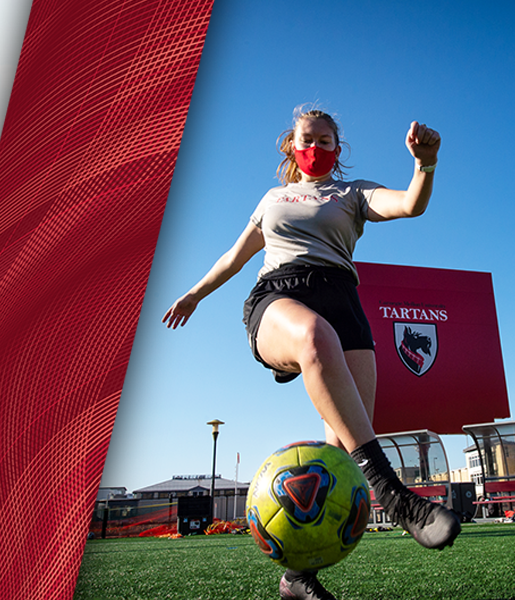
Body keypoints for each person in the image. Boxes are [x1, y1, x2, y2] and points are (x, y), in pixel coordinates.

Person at [162, 107, 460, 600]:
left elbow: (410, 204)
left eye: (326, 141)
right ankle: (397, 498)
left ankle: (297, 577)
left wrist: (424, 165)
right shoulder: (273, 199)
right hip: (279, 298)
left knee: (340, 455)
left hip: (344, 304)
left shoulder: (353, 193)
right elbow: (233, 258)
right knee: (314, 336)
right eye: (308, 139)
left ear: (337, 150)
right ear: (291, 146)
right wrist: (195, 294)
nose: (316, 147)